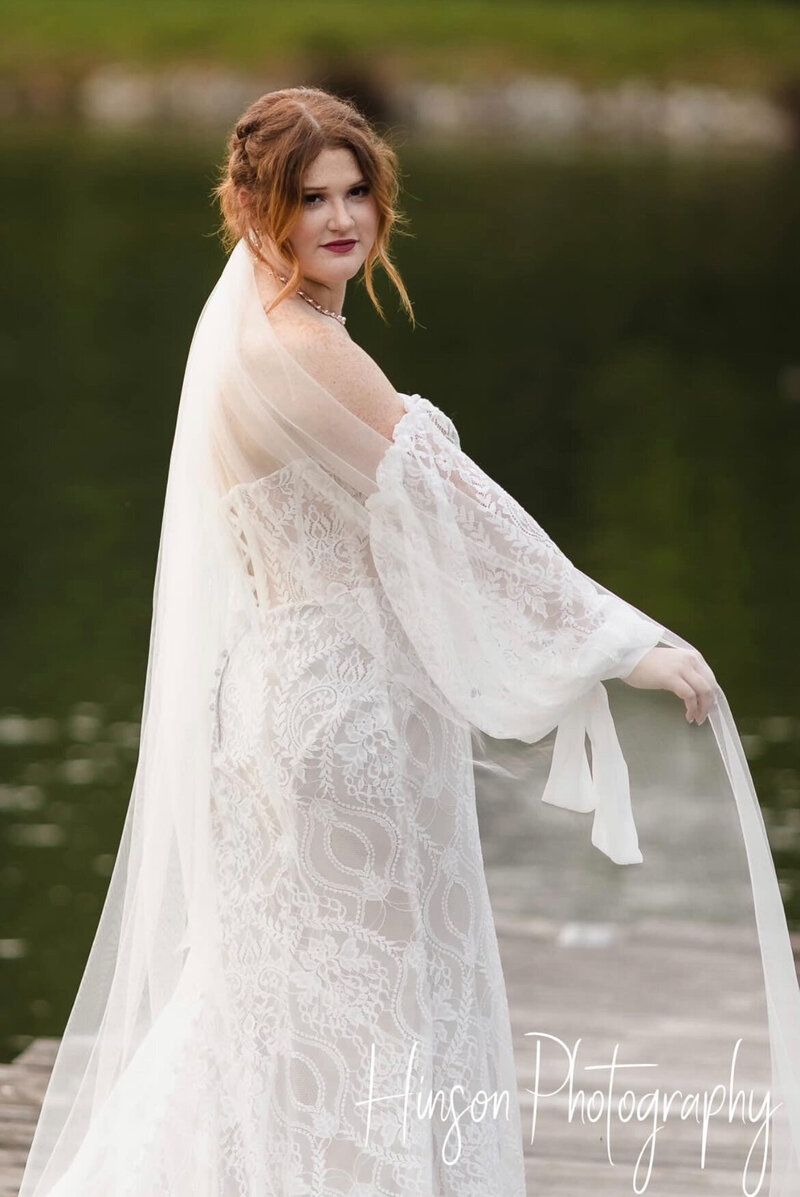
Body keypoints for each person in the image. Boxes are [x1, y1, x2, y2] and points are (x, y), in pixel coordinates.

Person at [17, 87, 800, 1197]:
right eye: (309, 198)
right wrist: (614, 639)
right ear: (260, 214)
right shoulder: (309, 350)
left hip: (274, 706)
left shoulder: (251, 341)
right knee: (378, 1008)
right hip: (348, 722)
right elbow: (454, 513)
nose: (341, 218)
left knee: (269, 1000)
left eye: (356, 192)